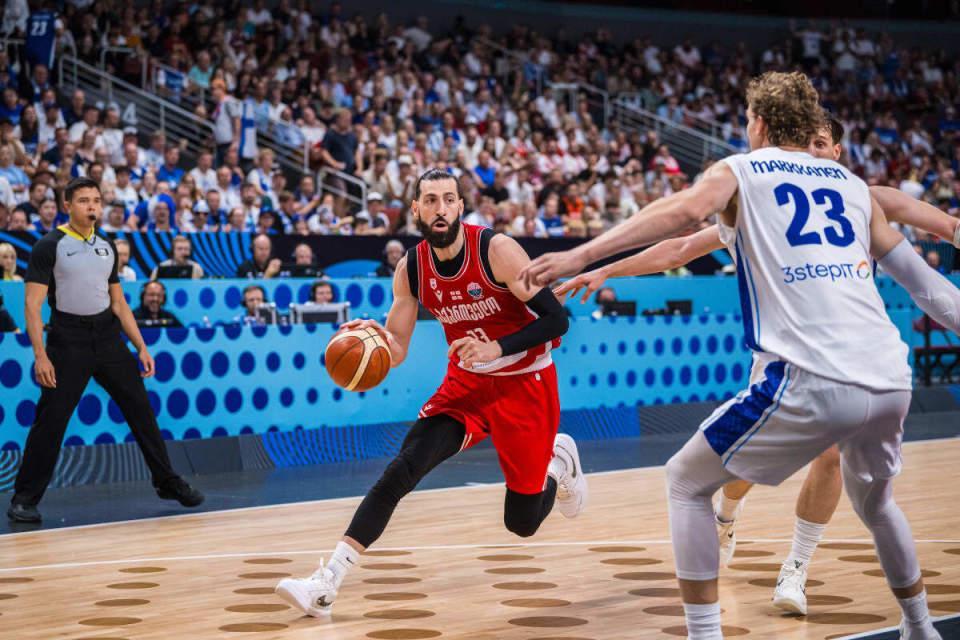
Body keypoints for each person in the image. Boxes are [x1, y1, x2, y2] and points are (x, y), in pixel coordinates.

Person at [524, 72, 953, 640]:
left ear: (759, 123)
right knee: (876, 505)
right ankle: (920, 627)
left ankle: (710, 626)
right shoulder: (854, 189)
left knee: (684, 480)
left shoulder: (743, 172)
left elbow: (682, 214)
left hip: (811, 374)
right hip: (890, 378)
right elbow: (926, 286)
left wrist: (581, 254)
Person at [275, 169, 586, 618]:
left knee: (521, 522)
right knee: (402, 469)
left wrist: (497, 347)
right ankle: (325, 584)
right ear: (416, 209)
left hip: (525, 382)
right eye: (430, 200)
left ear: (460, 206)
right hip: (467, 385)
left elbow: (557, 320)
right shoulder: (412, 269)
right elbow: (398, 348)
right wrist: (375, 338)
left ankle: (558, 462)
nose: (440, 208)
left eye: (448, 199)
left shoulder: (496, 251)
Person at [9, 177, 202, 524]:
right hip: (68, 340)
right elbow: (32, 305)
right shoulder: (49, 245)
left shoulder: (107, 245)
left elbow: (119, 303)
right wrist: (40, 355)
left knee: (141, 410)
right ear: (68, 205)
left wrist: (141, 346)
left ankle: (167, 481)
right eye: (84, 200)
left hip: (109, 338)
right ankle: (24, 498)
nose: (92, 207)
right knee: (51, 420)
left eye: (96, 200)